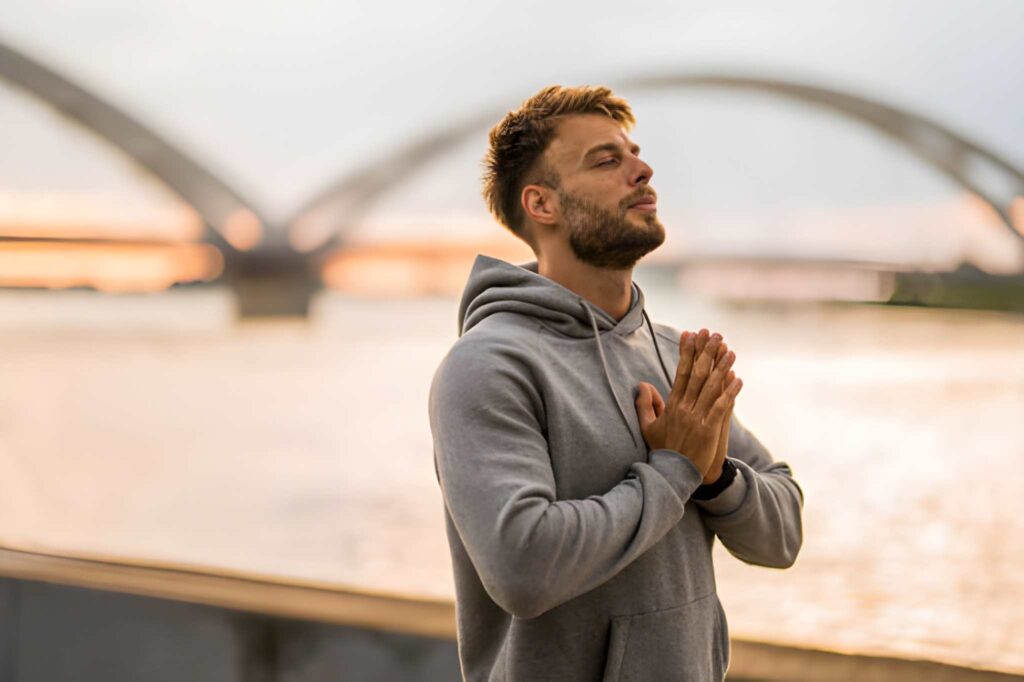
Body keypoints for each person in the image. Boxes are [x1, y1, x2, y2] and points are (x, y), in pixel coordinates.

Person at [428, 85, 804, 681]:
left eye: (635, 153)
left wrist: (715, 476)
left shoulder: (674, 354)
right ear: (541, 204)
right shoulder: (488, 366)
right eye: (607, 160)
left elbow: (782, 536)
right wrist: (675, 469)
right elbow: (523, 568)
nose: (643, 169)